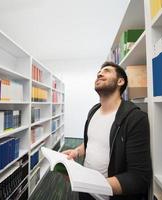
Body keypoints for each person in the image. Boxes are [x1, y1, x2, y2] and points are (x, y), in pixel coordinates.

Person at [63, 61, 152, 200]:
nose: (99, 73)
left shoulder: (135, 118)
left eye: (107, 71)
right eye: (99, 72)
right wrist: (77, 151)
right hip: (85, 192)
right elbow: (91, 142)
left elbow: (139, 178)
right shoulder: (93, 111)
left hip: (108, 195)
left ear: (120, 81)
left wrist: (87, 182)